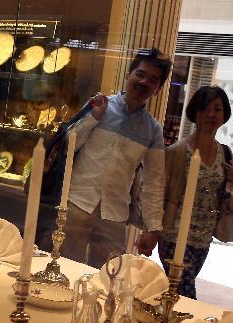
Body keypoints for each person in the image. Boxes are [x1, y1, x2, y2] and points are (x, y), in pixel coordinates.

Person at [59, 48, 173, 268]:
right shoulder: (100, 105)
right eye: (140, 74)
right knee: (64, 269)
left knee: (107, 277)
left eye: (152, 80)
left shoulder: (152, 130)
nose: (143, 82)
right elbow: (69, 143)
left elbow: (154, 182)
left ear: (157, 89)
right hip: (76, 203)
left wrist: (152, 228)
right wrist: (93, 117)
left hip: (115, 215)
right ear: (129, 75)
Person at [137, 86, 233, 298]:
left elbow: (227, 190)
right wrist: (152, 231)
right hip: (174, 237)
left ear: (225, 115)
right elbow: (158, 194)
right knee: (185, 295)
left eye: (217, 109)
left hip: (203, 239)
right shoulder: (177, 152)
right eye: (205, 108)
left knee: (174, 293)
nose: (211, 114)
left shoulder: (225, 153)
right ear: (195, 112)